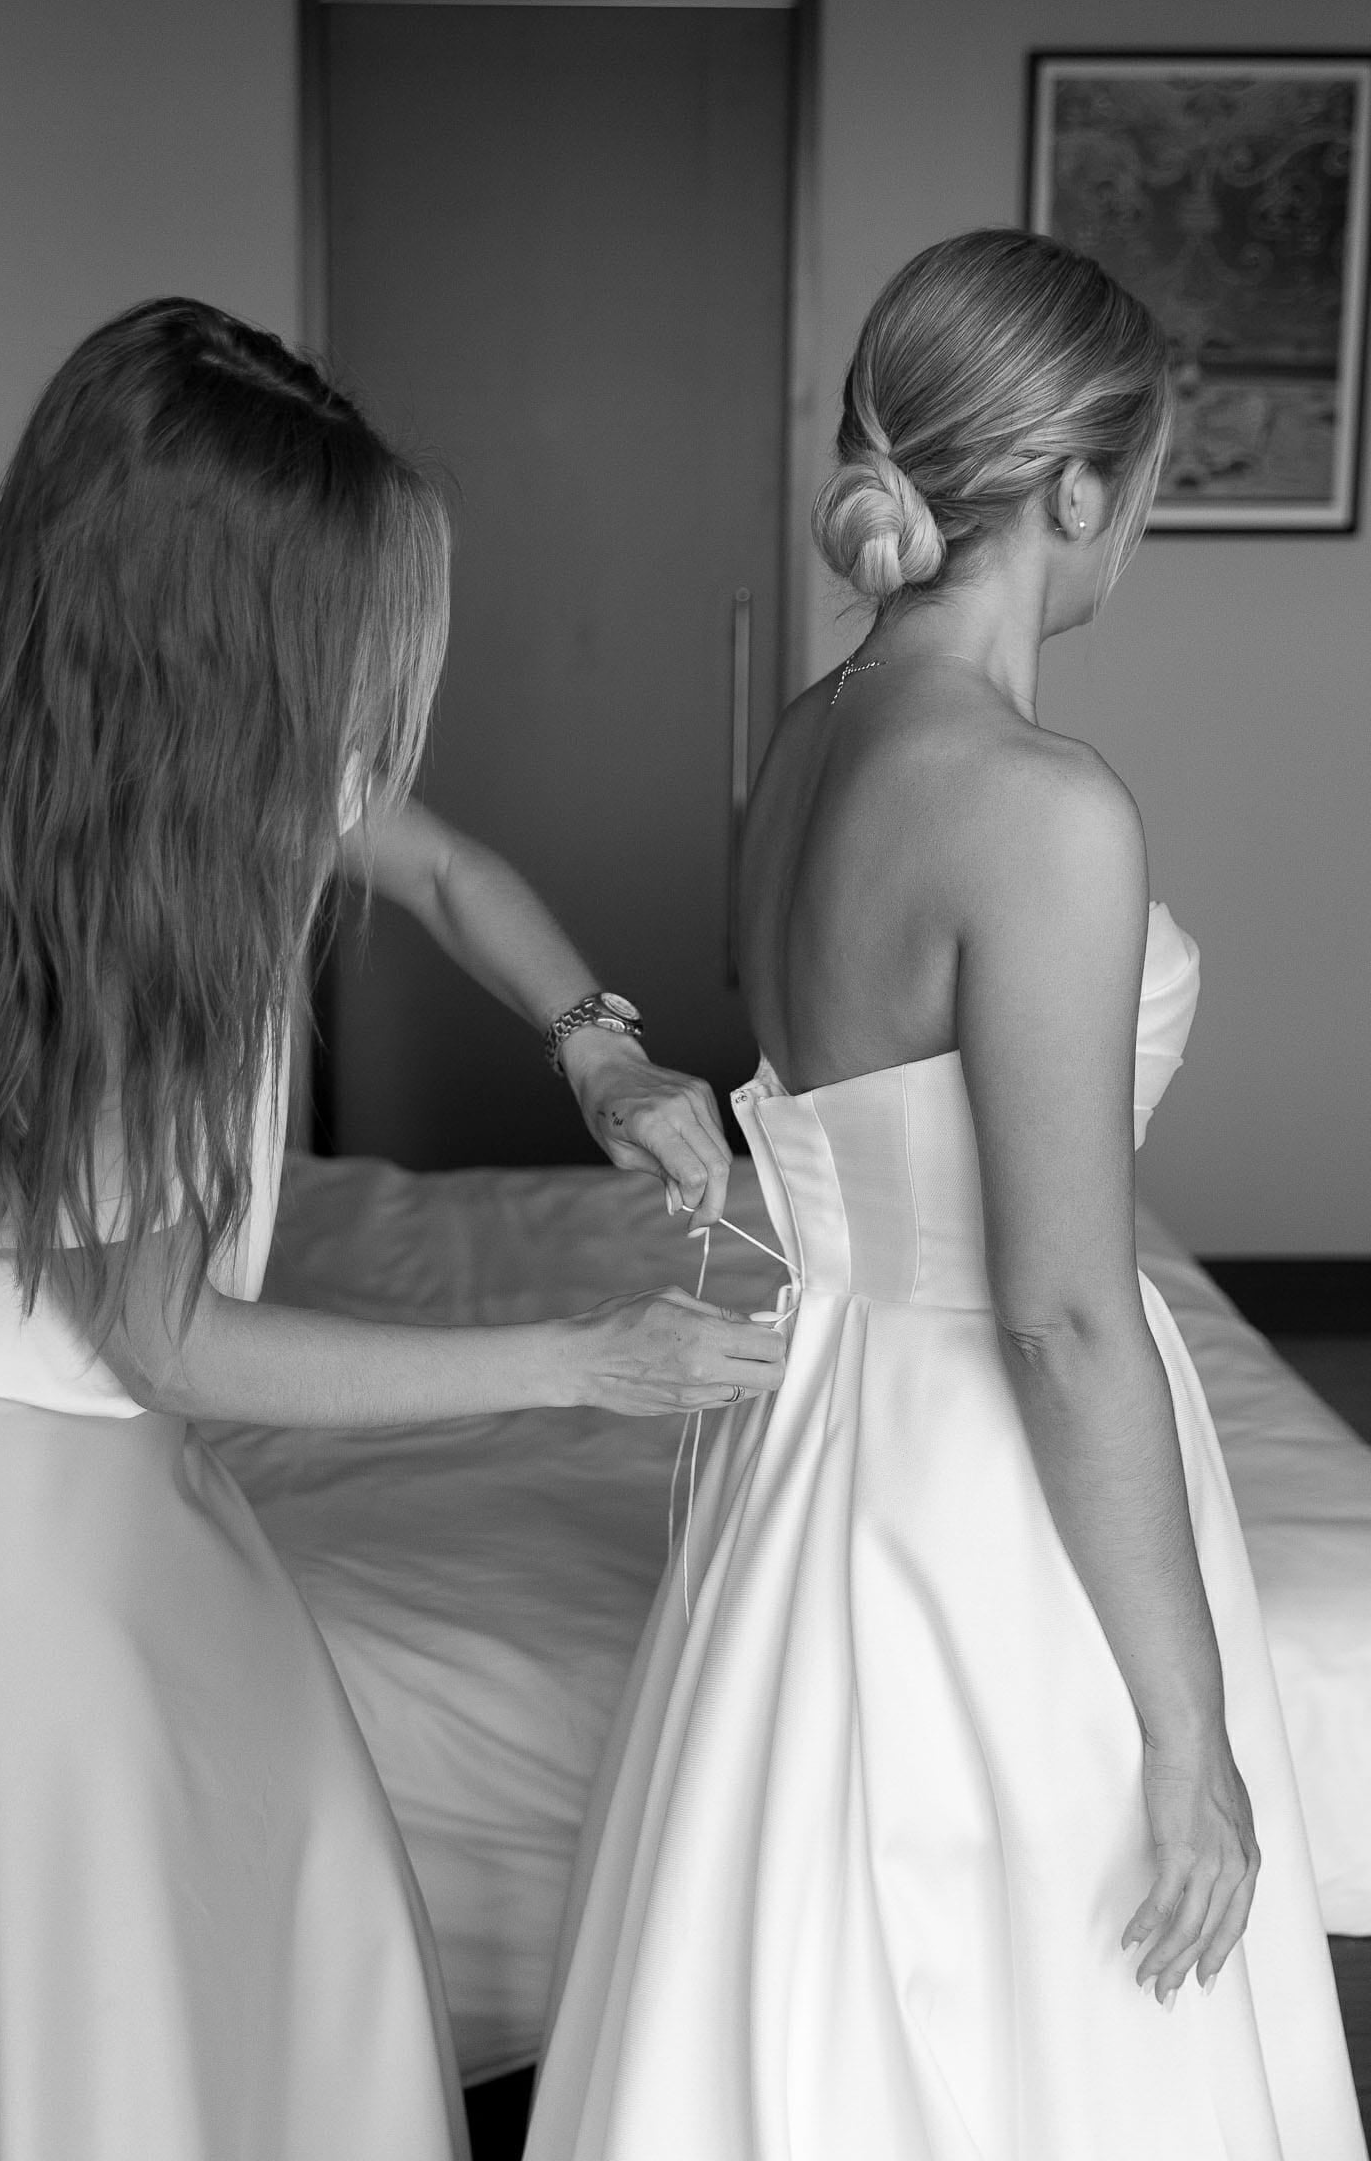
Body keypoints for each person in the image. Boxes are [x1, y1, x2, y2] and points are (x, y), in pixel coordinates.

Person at [0, 298, 785, 2161]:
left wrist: (605, 1062)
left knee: (271, 1901)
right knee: (81, 2026)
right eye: (327, 624)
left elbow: (444, 867)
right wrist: (588, 1364)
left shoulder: (141, 758)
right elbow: (162, 1338)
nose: (356, 676)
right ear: (202, 613)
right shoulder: (11, 878)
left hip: (84, 1473)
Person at [525, 230, 1366, 2160]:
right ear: (1078, 488)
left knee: (811, 1988)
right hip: (984, 1486)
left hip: (812, 1432)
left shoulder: (812, 741)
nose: (1132, 535)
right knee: (1040, 2007)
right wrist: (1188, 1731)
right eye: (1141, 489)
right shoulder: (1041, 804)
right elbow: (1064, 1317)